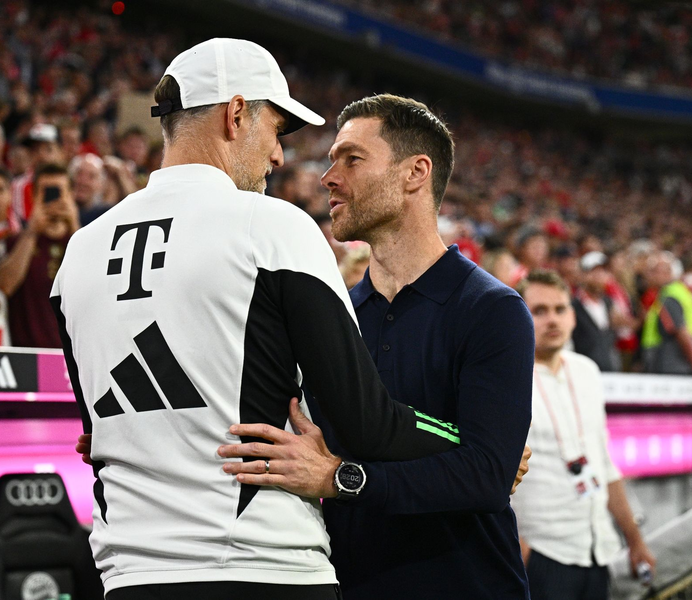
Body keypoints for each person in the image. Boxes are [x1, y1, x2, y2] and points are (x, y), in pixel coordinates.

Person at [57, 39, 464, 600]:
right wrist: (467, 441)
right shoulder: (272, 227)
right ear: (237, 113)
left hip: (130, 575)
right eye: (276, 130)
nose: (279, 156)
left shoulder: (78, 251)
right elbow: (364, 423)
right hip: (261, 564)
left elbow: (91, 433)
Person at [218, 94, 535, 599]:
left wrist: (341, 479)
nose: (329, 177)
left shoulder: (493, 310)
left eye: (352, 158)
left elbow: (486, 477)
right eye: (330, 162)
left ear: (415, 173)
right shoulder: (332, 313)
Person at [513, 270, 655, 600]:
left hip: (598, 547)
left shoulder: (587, 371)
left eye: (560, 309)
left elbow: (604, 465)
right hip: (542, 553)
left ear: (573, 316)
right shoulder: (506, 378)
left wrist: (634, 540)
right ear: (517, 315)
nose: (552, 320)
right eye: (539, 310)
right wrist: (517, 549)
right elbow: (492, 475)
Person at [0, 163, 78, 348]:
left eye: (59, 192)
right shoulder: (14, 243)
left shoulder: (85, 240)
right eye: (47, 193)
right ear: (33, 196)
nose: (53, 199)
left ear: (71, 195)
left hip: (73, 356)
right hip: (27, 354)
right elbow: (4, 287)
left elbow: (97, 287)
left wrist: (75, 227)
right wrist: (32, 232)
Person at [641, 251, 692, 375]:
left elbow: (681, 332)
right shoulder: (680, 293)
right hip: (681, 362)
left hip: (672, 365)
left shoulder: (669, 297)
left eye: (655, 271)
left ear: (669, 273)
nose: (649, 275)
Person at [572, 251, 622, 372]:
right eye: (593, 271)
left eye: (603, 271)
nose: (598, 276)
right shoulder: (573, 306)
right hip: (583, 373)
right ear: (582, 275)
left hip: (610, 373)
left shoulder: (610, 304)